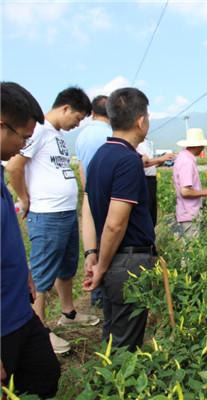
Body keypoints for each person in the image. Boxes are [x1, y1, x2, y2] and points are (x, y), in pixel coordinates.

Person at [6, 86, 97, 355]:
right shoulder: (39, 130)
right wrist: (24, 198)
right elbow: (14, 166)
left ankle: (68, 312)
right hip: (47, 213)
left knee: (66, 266)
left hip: (65, 212)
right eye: (77, 118)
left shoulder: (54, 134)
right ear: (66, 108)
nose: (76, 124)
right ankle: (40, 330)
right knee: (43, 273)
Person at [82, 87, 156, 351]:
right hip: (127, 261)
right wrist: (101, 266)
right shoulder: (128, 160)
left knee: (112, 332)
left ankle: (107, 384)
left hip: (109, 255)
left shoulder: (99, 156)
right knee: (126, 345)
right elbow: (116, 223)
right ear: (140, 121)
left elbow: (88, 210)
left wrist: (92, 252)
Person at [1, 82, 61, 398]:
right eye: (23, 138)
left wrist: (23, 270)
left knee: (44, 375)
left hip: (18, 311)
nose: (24, 148)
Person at [75, 94, 112, 308]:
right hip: (110, 198)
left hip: (92, 196)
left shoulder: (82, 135)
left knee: (94, 246)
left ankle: (96, 295)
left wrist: (88, 192)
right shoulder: (110, 135)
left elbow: (82, 168)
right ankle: (104, 293)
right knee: (109, 243)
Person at [172, 128, 207, 239]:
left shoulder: (183, 157)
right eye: (202, 145)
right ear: (198, 146)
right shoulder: (187, 162)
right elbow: (186, 191)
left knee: (189, 249)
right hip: (189, 214)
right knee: (191, 250)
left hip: (186, 212)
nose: (203, 148)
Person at [137, 138, 175, 227]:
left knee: (152, 213)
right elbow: (141, 163)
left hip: (152, 179)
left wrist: (161, 161)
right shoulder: (138, 143)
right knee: (146, 212)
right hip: (145, 179)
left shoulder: (148, 142)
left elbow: (150, 164)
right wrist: (160, 159)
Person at [75, 95, 111, 187]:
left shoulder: (81, 135)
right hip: (112, 194)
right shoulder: (115, 135)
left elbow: (81, 169)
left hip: (91, 194)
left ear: (92, 113)